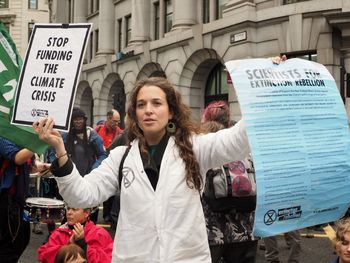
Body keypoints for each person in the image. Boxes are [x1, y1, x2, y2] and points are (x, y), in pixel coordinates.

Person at [33, 77, 251, 262]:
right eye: (141, 104)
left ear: (171, 111)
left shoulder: (195, 148)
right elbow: (80, 195)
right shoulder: (121, 158)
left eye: (157, 103)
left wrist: (266, 87)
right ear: (134, 113)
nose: (148, 110)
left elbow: (239, 140)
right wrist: (60, 149)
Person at [201, 101, 257, 263]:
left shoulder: (202, 141)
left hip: (212, 229)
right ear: (228, 118)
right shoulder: (242, 141)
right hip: (245, 229)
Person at [0, 137, 50, 262]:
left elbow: (29, 166)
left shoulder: (22, 139)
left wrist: (46, 166)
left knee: (22, 240)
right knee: (9, 246)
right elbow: (17, 157)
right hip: (5, 200)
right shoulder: (3, 135)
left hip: (18, 200)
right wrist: (39, 141)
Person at [57, 107, 107, 223]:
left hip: (88, 181)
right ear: (72, 121)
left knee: (89, 216)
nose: (78, 122)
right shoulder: (65, 136)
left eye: (80, 119)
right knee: (69, 216)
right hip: (70, 180)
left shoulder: (92, 136)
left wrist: (94, 170)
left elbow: (102, 155)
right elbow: (55, 152)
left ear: (85, 120)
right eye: (75, 119)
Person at [38, 206, 113, 263]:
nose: (69, 212)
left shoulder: (99, 233)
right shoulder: (58, 233)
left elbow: (109, 260)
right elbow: (43, 256)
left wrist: (84, 245)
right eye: (68, 208)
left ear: (86, 213)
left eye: (74, 209)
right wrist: (69, 245)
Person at [96, 109, 123, 222]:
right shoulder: (97, 130)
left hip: (114, 165)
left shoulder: (120, 133)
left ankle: (110, 215)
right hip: (100, 164)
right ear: (108, 119)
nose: (117, 124)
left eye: (118, 121)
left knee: (113, 190)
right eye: (115, 121)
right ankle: (105, 214)